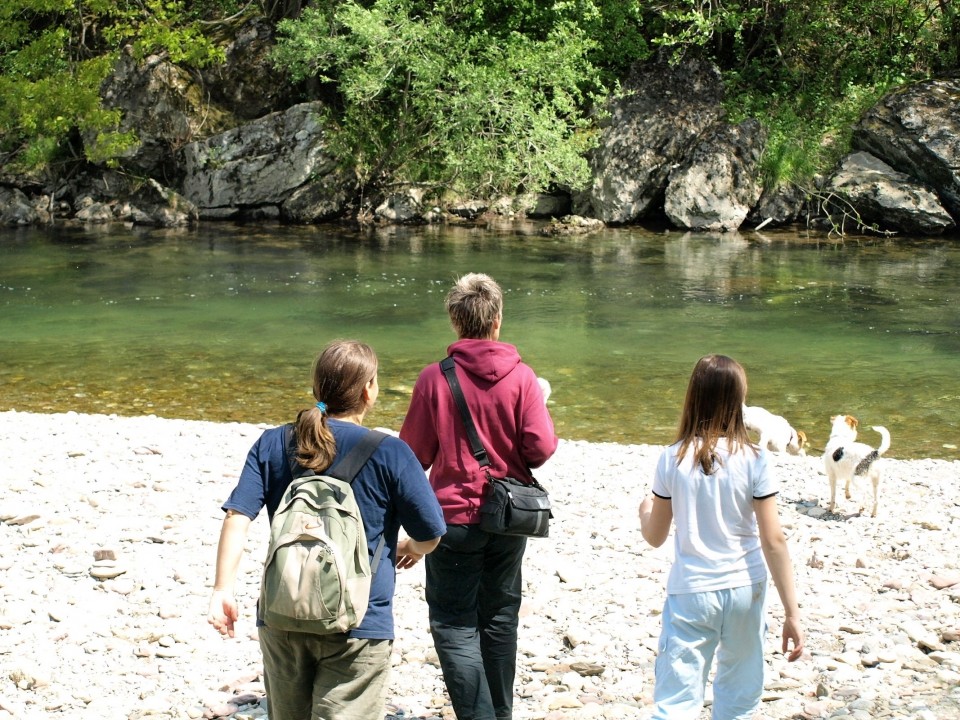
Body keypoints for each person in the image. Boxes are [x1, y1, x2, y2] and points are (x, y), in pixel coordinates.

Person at [208, 339, 446, 720]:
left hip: (284, 611)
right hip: (359, 623)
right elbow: (432, 532)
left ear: (317, 388)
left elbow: (238, 516)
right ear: (369, 390)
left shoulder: (273, 443)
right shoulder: (390, 452)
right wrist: (412, 548)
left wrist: (222, 589)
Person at [399, 273, 558, 720]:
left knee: (453, 625)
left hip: (452, 521)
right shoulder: (523, 377)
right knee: (500, 620)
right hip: (509, 518)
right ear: (498, 320)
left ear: (454, 320)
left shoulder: (434, 378)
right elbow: (541, 449)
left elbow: (414, 454)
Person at [638, 354, 804, 720]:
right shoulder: (756, 458)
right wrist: (792, 612)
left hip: (692, 591)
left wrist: (644, 512)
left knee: (676, 702)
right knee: (740, 699)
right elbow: (773, 540)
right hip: (746, 588)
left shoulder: (672, 459)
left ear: (693, 397)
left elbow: (655, 536)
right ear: (738, 401)